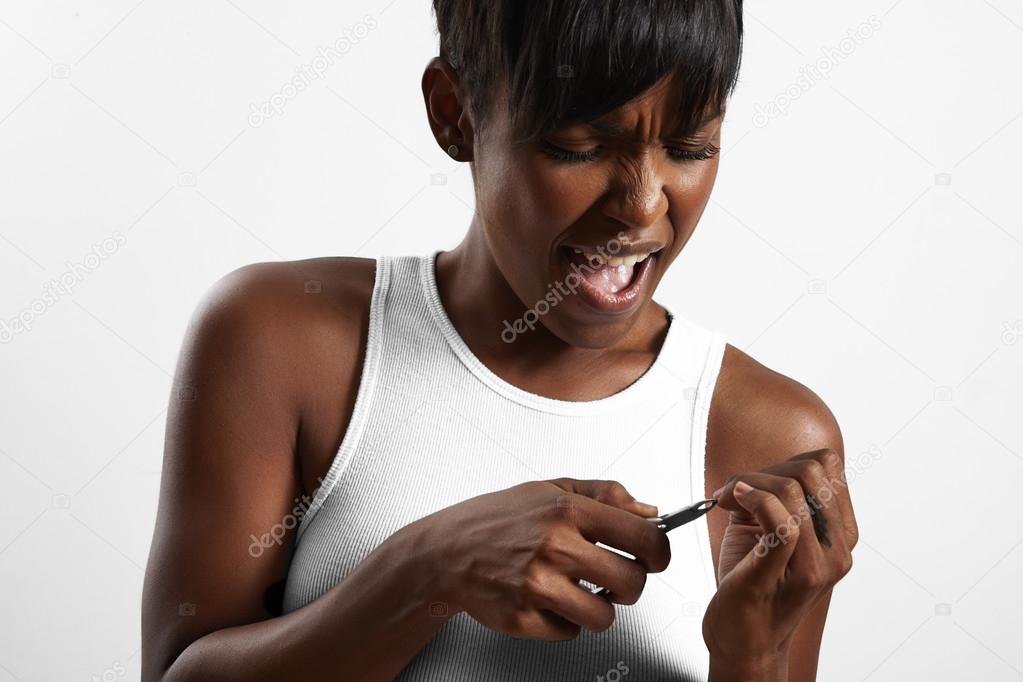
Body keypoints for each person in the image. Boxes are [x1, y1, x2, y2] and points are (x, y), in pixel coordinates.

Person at [142, 1, 857, 680]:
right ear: (454, 114)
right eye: (578, 146)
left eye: (689, 145)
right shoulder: (282, 339)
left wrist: (750, 662)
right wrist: (428, 569)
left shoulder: (765, 434)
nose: (642, 204)